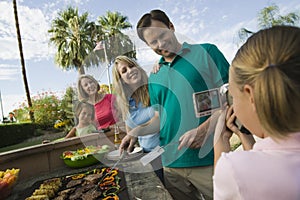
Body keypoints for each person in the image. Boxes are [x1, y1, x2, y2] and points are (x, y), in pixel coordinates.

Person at [136, 9, 229, 200]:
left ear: (171, 27)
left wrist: (205, 129)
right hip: (171, 166)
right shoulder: (154, 76)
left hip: (211, 159)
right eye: (153, 42)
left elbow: (235, 100)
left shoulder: (207, 52)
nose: (160, 44)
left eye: (163, 35)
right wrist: (134, 133)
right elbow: (159, 118)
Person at [213, 26, 300, 200]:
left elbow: (244, 180)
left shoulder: (234, 170)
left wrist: (220, 141)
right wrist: (245, 136)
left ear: (251, 95)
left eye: (234, 97)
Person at [112, 55, 163, 183]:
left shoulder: (153, 86)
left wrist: (160, 63)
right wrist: (126, 150)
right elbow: (131, 135)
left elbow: (161, 119)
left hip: (165, 153)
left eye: (131, 66)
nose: (130, 70)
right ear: (121, 80)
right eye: (124, 71)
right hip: (147, 157)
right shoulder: (125, 103)